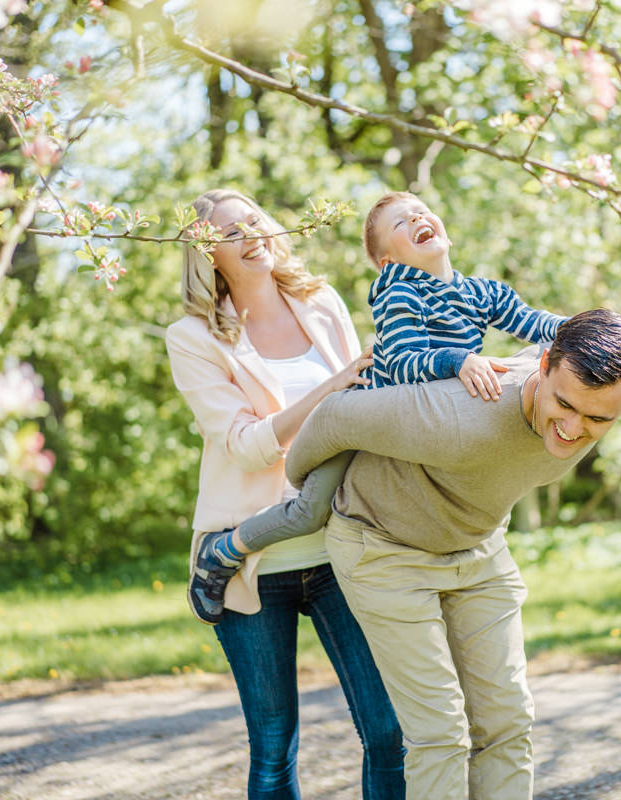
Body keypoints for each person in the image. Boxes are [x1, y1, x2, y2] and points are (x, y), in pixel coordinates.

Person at [285, 308, 621, 799]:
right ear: (544, 366)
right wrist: (304, 493)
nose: (572, 427)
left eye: (597, 418)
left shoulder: (584, 398)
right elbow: (335, 417)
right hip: (384, 548)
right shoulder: (457, 414)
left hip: (476, 545)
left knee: (507, 721)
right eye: (563, 404)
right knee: (440, 732)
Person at [189, 191, 567, 611]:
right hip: (361, 425)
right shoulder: (399, 293)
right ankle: (224, 548)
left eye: (421, 212)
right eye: (401, 223)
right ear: (388, 261)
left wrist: (586, 328)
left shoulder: (482, 292)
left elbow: (532, 321)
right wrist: (458, 360)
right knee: (309, 511)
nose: (417, 219)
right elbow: (404, 364)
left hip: (411, 426)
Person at [165, 189, 405, 800]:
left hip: (341, 550)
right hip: (249, 561)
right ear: (207, 256)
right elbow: (247, 446)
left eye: (255, 221)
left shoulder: (320, 303)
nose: (251, 235)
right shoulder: (193, 337)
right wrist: (333, 387)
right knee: (274, 748)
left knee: (388, 732)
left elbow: (364, 405)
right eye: (231, 233)